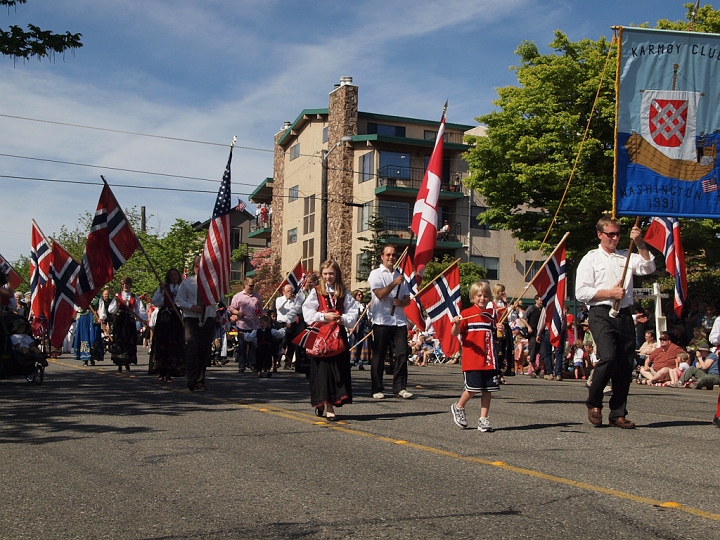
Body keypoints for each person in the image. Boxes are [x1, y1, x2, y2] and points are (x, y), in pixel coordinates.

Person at [576, 216, 655, 428]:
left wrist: (639, 243)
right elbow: (581, 292)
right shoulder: (590, 259)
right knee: (608, 357)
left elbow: (648, 267)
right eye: (610, 234)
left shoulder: (626, 255)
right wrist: (609, 293)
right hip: (601, 312)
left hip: (624, 314)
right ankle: (594, 403)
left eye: (618, 234)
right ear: (600, 234)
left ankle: (617, 412)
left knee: (624, 363)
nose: (615, 238)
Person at [301, 260, 357, 421]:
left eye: (331, 273)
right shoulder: (317, 292)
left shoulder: (343, 292)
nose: (328, 277)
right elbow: (307, 313)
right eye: (325, 274)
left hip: (337, 337)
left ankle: (330, 402)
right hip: (321, 338)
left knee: (337, 372)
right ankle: (326, 405)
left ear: (336, 274)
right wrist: (324, 316)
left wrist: (342, 319)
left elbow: (353, 313)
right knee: (322, 373)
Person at [450, 282, 500, 432]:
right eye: (479, 295)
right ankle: (459, 406)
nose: (482, 298)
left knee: (487, 390)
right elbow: (454, 333)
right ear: (473, 297)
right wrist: (455, 323)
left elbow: (496, 336)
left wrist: (500, 329)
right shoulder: (466, 313)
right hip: (472, 359)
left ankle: (483, 419)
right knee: (472, 389)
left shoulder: (492, 315)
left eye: (485, 296)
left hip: (489, 359)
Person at [368, 245, 413, 399]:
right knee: (379, 356)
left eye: (393, 255)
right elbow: (380, 294)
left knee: (402, 353)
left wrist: (401, 303)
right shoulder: (376, 274)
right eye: (388, 255)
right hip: (382, 320)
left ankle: (400, 387)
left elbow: (407, 299)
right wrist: (394, 283)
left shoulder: (401, 276)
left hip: (398, 321)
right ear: (382, 256)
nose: (391, 257)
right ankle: (377, 388)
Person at [176, 257, 216, 392]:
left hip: (208, 318)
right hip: (192, 319)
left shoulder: (212, 283)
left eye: (203, 267)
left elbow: (218, 298)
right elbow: (179, 300)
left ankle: (200, 380)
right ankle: (191, 378)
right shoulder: (187, 282)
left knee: (204, 350)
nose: (200, 269)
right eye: (197, 266)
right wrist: (191, 306)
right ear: (194, 267)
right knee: (192, 348)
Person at [150, 268, 184, 383]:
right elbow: (155, 301)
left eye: (175, 275)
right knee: (162, 343)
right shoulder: (164, 288)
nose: (173, 277)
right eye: (171, 275)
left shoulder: (182, 287)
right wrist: (161, 291)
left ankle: (171, 371)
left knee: (174, 344)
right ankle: (161, 371)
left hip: (176, 316)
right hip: (165, 317)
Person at [107, 276, 147, 372]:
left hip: (129, 321)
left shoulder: (134, 297)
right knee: (119, 340)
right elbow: (111, 310)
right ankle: (119, 363)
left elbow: (139, 309)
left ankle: (127, 361)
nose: (125, 286)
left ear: (130, 285)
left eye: (127, 284)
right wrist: (116, 303)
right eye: (123, 284)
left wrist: (143, 319)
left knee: (130, 340)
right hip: (120, 321)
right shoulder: (118, 295)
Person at [229, 277, 263, 372]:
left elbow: (260, 309)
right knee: (242, 346)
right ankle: (242, 365)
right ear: (245, 285)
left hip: (254, 324)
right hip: (243, 325)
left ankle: (252, 364)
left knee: (254, 345)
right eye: (250, 285)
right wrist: (238, 313)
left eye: (253, 285)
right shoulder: (238, 296)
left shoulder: (256, 296)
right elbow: (232, 308)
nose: (252, 287)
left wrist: (261, 315)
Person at [275, 284, 299, 370]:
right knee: (282, 343)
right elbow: (279, 308)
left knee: (292, 344)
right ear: (283, 292)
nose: (290, 293)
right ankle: (276, 361)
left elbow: (296, 312)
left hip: (292, 324)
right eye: (288, 291)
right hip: (282, 324)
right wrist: (286, 300)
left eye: (291, 291)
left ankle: (288, 363)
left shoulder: (294, 301)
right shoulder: (279, 299)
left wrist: (296, 300)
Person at [524, 295, 543, 377]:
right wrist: (528, 327)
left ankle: (539, 369)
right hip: (533, 333)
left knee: (542, 352)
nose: (541, 301)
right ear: (536, 300)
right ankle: (533, 369)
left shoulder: (543, 309)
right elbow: (523, 318)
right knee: (533, 352)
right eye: (540, 300)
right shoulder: (531, 308)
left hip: (541, 333)